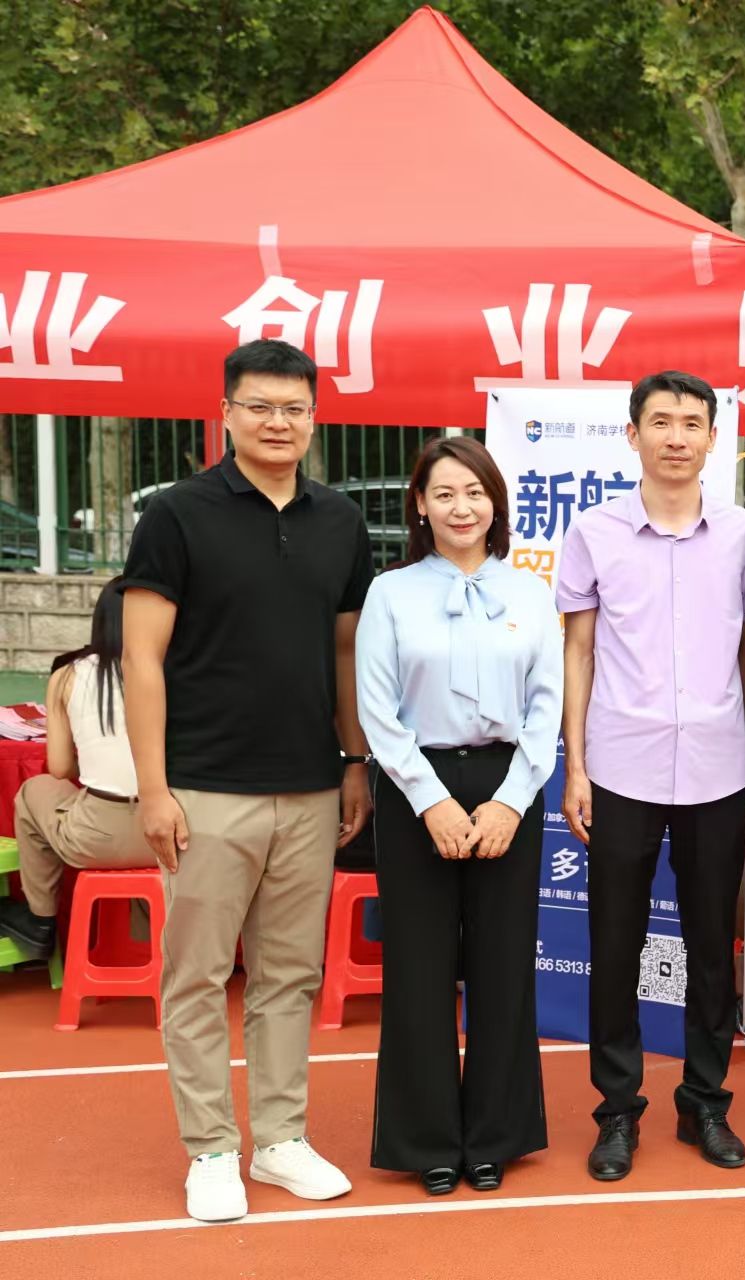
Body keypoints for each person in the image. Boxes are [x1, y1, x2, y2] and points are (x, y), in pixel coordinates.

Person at [121, 339, 374, 1223]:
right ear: (226, 412)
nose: (277, 423)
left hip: (310, 786)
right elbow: (141, 659)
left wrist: (353, 762)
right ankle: (210, 1149)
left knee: (288, 975)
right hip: (205, 788)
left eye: (294, 409)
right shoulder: (176, 515)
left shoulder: (340, 521)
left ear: (314, 418)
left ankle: (279, 1139)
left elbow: (345, 652)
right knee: (196, 976)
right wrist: (154, 788)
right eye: (259, 406)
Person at [556, 371, 745, 1179]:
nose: (677, 437)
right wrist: (576, 765)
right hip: (620, 766)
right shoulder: (593, 531)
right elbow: (577, 650)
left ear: (712, 437)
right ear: (632, 433)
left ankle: (705, 1103)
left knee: (712, 946)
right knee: (616, 943)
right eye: (661, 421)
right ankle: (617, 1111)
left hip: (719, 767)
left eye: (692, 423)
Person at [355, 437, 561, 1196]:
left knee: (504, 967)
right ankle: (427, 1139)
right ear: (420, 505)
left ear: (496, 503)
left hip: (511, 783)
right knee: (419, 967)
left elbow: (546, 708)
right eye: (444, 494)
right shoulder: (391, 593)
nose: (461, 507)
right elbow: (377, 711)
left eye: (475, 493)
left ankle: (497, 1135)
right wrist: (430, 799)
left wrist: (510, 801)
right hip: (416, 786)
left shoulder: (530, 593)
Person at [0, 580, 152, 959]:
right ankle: (148, 936)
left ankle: (40, 920)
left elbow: (59, 767)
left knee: (34, 790)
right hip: (172, 838)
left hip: (95, 838)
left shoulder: (67, 675)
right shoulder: (177, 672)